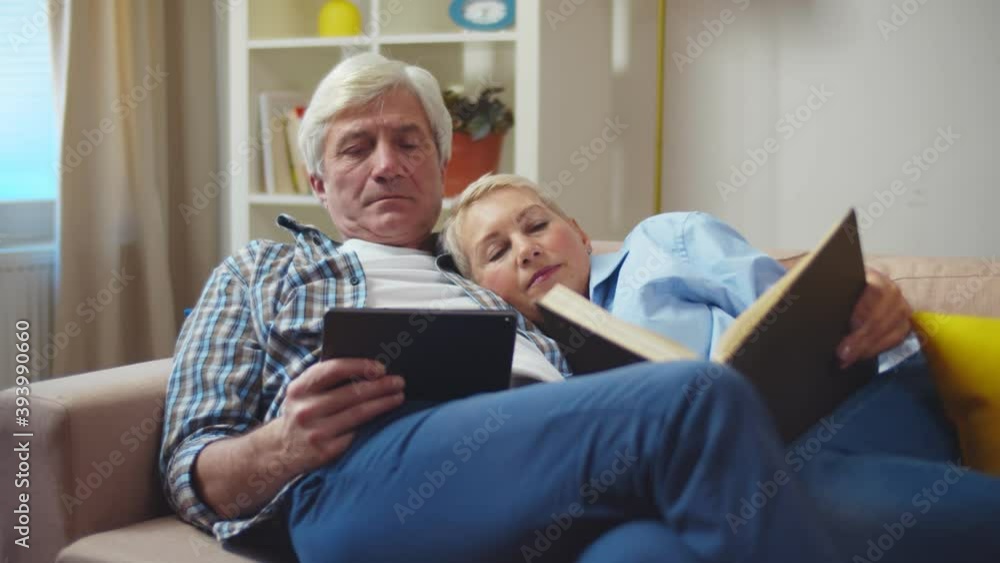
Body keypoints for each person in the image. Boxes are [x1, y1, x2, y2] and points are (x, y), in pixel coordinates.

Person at [159, 53, 846, 563]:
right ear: (318, 181)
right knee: (697, 396)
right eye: (356, 147)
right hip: (359, 479)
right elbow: (189, 466)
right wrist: (284, 444)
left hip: (545, 476)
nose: (386, 164)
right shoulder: (264, 270)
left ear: (439, 162)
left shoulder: (486, 268)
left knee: (648, 552)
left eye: (408, 142)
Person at [442, 173, 1000, 563]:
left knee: (785, 489)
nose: (526, 249)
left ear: (582, 234)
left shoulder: (660, 245)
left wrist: (868, 295)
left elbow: (796, 310)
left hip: (848, 402)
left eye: (536, 226)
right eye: (496, 251)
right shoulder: (532, 369)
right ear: (484, 293)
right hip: (726, 486)